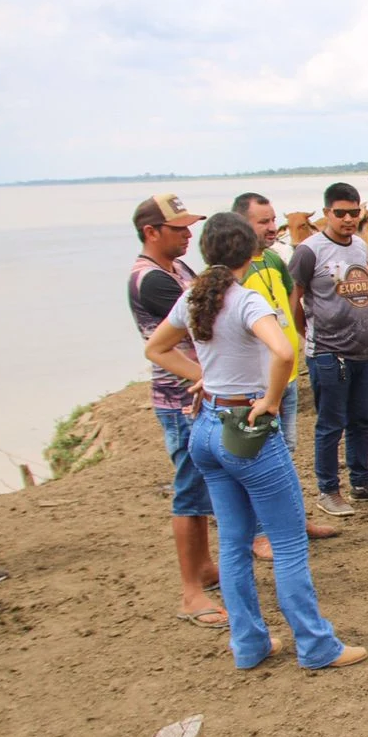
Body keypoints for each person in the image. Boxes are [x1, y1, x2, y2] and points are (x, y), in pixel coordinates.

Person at [144, 213, 366, 670]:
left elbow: (157, 349)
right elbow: (284, 351)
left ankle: (248, 644)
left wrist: (205, 377)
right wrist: (268, 398)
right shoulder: (246, 302)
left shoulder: (193, 298)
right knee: (287, 544)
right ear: (252, 253)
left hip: (206, 428)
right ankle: (316, 645)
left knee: (233, 542)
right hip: (246, 428)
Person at [127, 193, 224, 628]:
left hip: (197, 393)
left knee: (199, 488)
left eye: (188, 228)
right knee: (188, 490)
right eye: (177, 229)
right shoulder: (151, 281)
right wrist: (206, 377)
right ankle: (190, 593)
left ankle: (204, 567)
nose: (188, 235)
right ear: (151, 232)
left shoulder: (177, 269)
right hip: (181, 399)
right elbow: (196, 323)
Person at [232, 193, 342, 558]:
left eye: (272, 219)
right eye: (262, 221)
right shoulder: (233, 273)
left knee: (285, 451)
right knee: (256, 456)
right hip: (255, 381)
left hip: (287, 374)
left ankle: (293, 520)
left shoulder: (275, 261)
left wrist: (302, 339)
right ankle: (260, 533)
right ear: (240, 225)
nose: (272, 227)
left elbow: (292, 303)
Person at [287, 183, 368, 516]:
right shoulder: (309, 251)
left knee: (361, 420)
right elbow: (294, 299)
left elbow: (363, 296)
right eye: (340, 213)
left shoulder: (361, 247)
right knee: (330, 423)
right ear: (326, 214)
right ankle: (327, 490)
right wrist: (305, 335)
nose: (348, 219)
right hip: (327, 352)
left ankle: (361, 483)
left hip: (362, 351)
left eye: (354, 213)